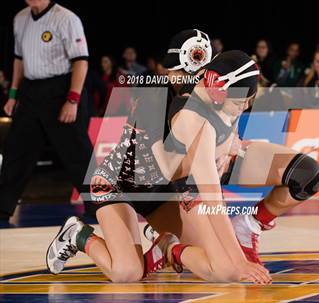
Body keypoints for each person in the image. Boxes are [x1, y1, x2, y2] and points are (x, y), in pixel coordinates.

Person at [47, 49, 273, 285]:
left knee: (223, 270)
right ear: (218, 89)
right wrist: (240, 261)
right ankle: (77, 235)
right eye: (240, 101)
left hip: (158, 190)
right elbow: (205, 192)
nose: (245, 107)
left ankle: (167, 247)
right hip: (120, 184)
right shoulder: (175, 108)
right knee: (127, 273)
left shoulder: (217, 101)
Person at [0, 0, 94, 227]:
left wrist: (72, 100)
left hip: (62, 90)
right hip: (31, 91)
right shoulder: (20, 18)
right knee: (16, 151)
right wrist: (12, 94)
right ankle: (2, 208)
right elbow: (18, 60)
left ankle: (101, 207)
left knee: (78, 154)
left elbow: (81, 62)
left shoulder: (66, 18)